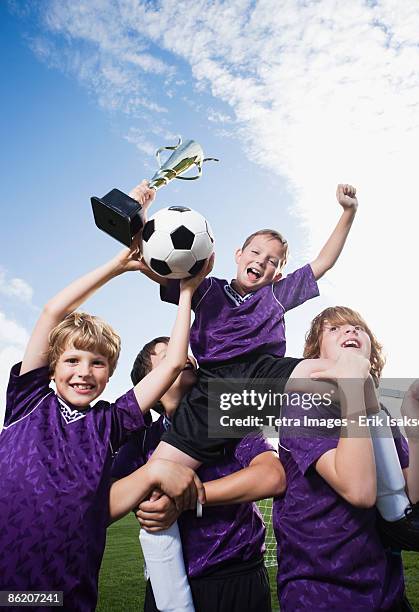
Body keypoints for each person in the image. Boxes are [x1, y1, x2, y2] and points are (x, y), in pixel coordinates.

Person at [135, 183, 359, 606]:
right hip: (213, 389)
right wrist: (143, 218)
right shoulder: (207, 288)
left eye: (274, 261)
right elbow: (157, 262)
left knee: (338, 373)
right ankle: (172, 600)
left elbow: (324, 262)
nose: (263, 262)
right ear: (237, 253)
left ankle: (393, 502)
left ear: (279, 272)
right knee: (153, 484)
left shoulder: (277, 294)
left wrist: (347, 212)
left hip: (262, 374)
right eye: (256, 252)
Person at [0, 183, 208, 612]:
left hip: (69, 592)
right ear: (53, 367)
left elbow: (170, 365)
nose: (83, 372)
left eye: (97, 364)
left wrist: (187, 292)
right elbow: (53, 312)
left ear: (110, 373)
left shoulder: (110, 423)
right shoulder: (28, 402)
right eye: (73, 360)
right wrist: (118, 265)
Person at [273, 306, 419, 611]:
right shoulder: (303, 404)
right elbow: (359, 490)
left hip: (386, 589)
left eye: (358, 327)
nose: (350, 331)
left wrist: (417, 430)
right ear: (315, 357)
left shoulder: (380, 416)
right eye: (334, 329)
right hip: (320, 591)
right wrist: (352, 388)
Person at [110, 335, 287, 612]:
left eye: (187, 351)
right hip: (165, 581)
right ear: (150, 381)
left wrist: (188, 498)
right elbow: (105, 501)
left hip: (236, 578)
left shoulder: (228, 414)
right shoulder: (141, 440)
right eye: (169, 354)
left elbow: (272, 476)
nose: (187, 357)